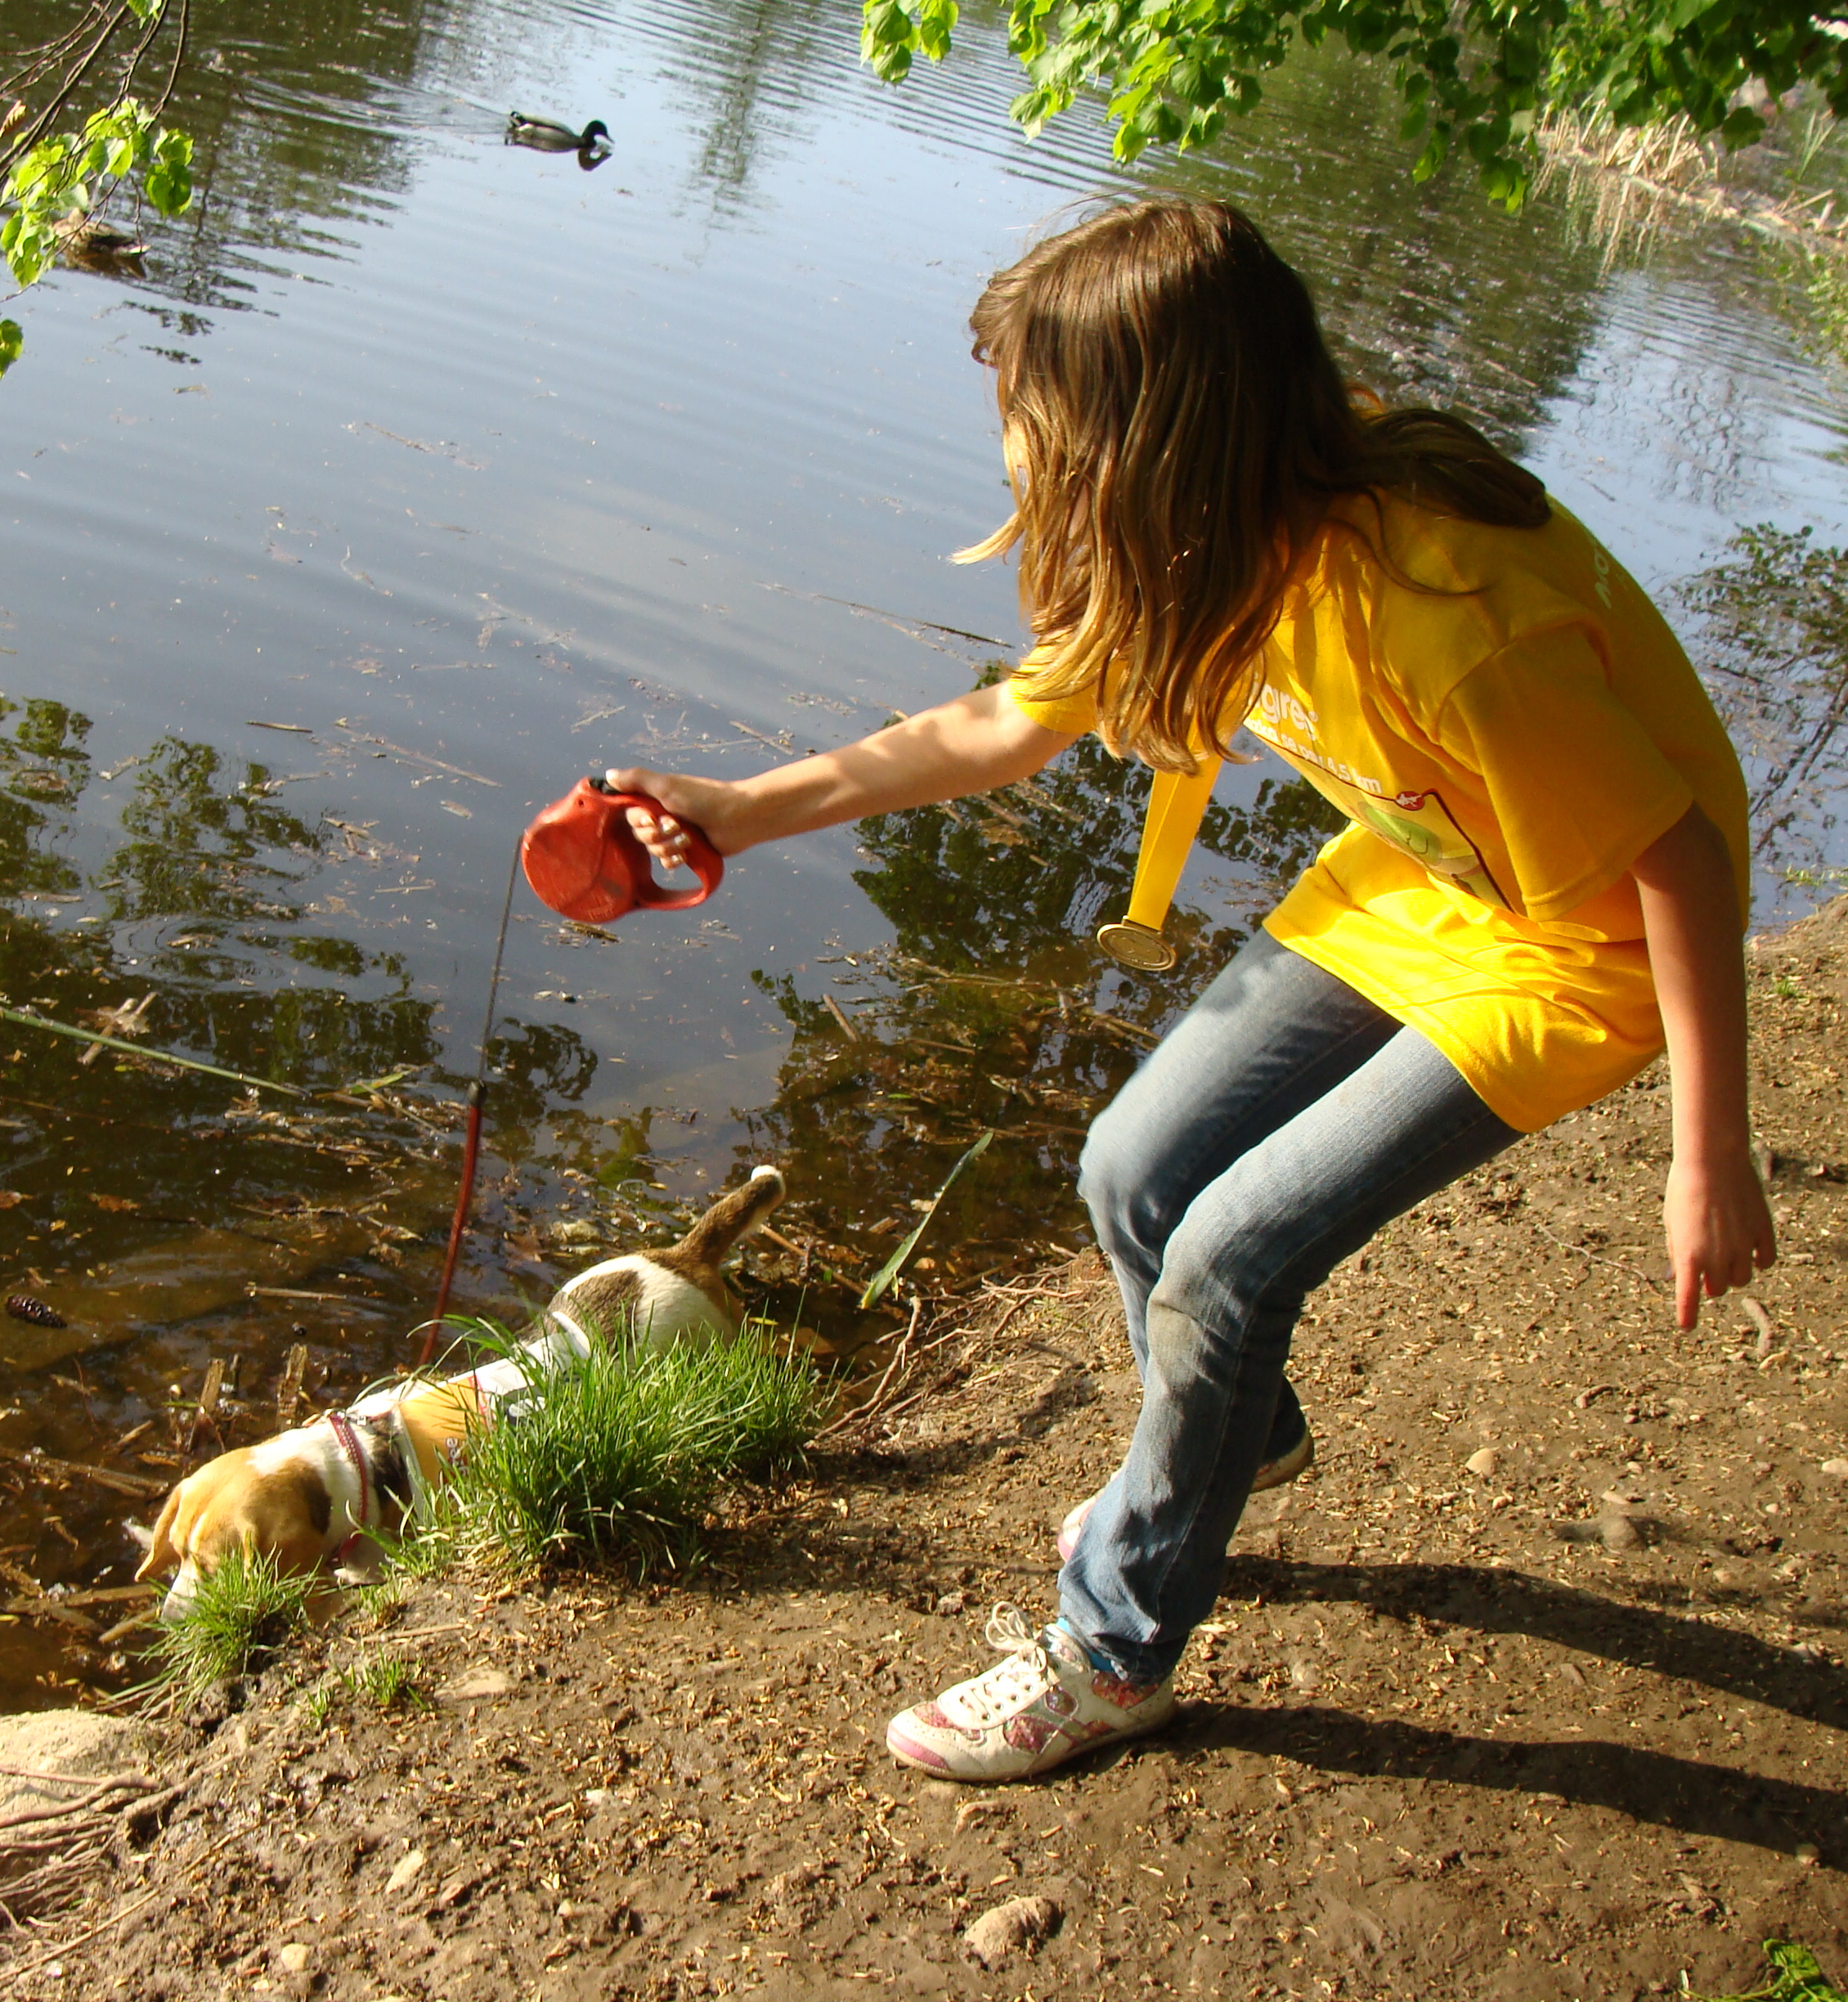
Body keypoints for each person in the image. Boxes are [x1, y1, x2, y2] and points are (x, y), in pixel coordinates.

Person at [608, 196, 1774, 1784]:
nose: (1017, 454)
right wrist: (742, 805)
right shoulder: (1222, 537)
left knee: (1225, 1264)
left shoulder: (1441, 621)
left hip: (1586, 948)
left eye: (1034, 419)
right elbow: (998, 731)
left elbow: (1683, 860)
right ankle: (1243, 1436)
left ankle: (1113, 1651)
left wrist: (1712, 1152)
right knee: (1130, 1171)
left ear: (1147, 435)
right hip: (1424, 882)